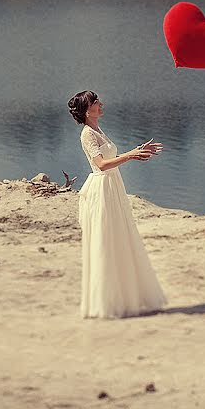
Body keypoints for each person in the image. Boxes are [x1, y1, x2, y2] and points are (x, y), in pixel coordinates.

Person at [67, 90, 167, 319]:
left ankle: (125, 296)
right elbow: (101, 164)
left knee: (120, 237)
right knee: (106, 240)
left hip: (113, 187)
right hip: (102, 189)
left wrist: (138, 151)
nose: (100, 104)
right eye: (95, 102)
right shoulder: (87, 135)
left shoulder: (97, 129)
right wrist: (131, 155)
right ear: (86, 110)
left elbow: (111, 159)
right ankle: (107, 302)